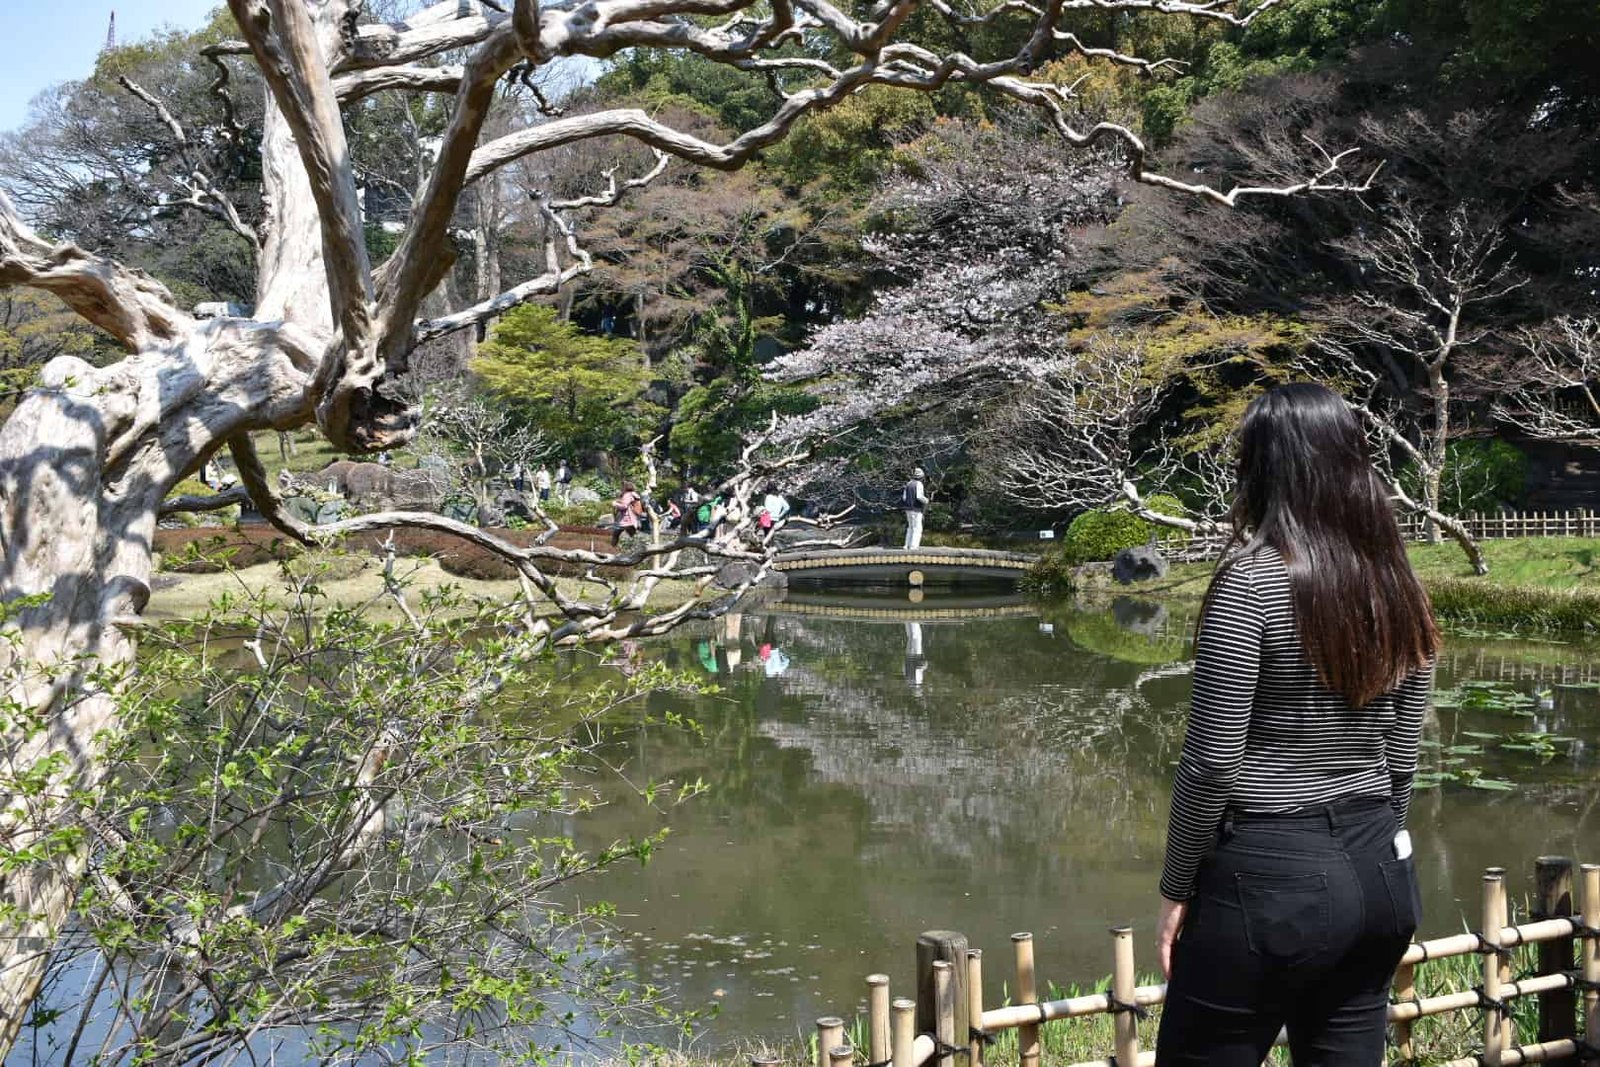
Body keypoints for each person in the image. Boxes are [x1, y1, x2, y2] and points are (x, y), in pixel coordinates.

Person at [1154, 382, 1439, 1067]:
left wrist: (1176, 886)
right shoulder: (1398, 582)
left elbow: (1212, 762)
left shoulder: (1251, 581)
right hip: (1380, 874)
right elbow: (1403, 751)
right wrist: (1378, 840)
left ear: (1264, 468)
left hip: (1270, 880)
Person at [902, 467, 928, 549]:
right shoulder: (919, 484)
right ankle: (914, 546)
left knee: (910, 527)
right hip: (916, 509)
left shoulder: (908, 483)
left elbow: (904, 498)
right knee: (917, 528)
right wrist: (926, 500)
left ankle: (907, 545)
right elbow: (919, 496)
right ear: (921, 477)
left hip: (908, 508)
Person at [611, 481, 644, 547]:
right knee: (633, 535)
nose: (621, 488)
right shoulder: (633, 494)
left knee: (615, 533)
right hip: (633, 519)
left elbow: (624, 506)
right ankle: (641, 547)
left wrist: (615, 504)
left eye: (622, 487)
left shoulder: (627, 495)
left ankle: (611, 549)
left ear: (625, 487)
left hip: (626, 519)